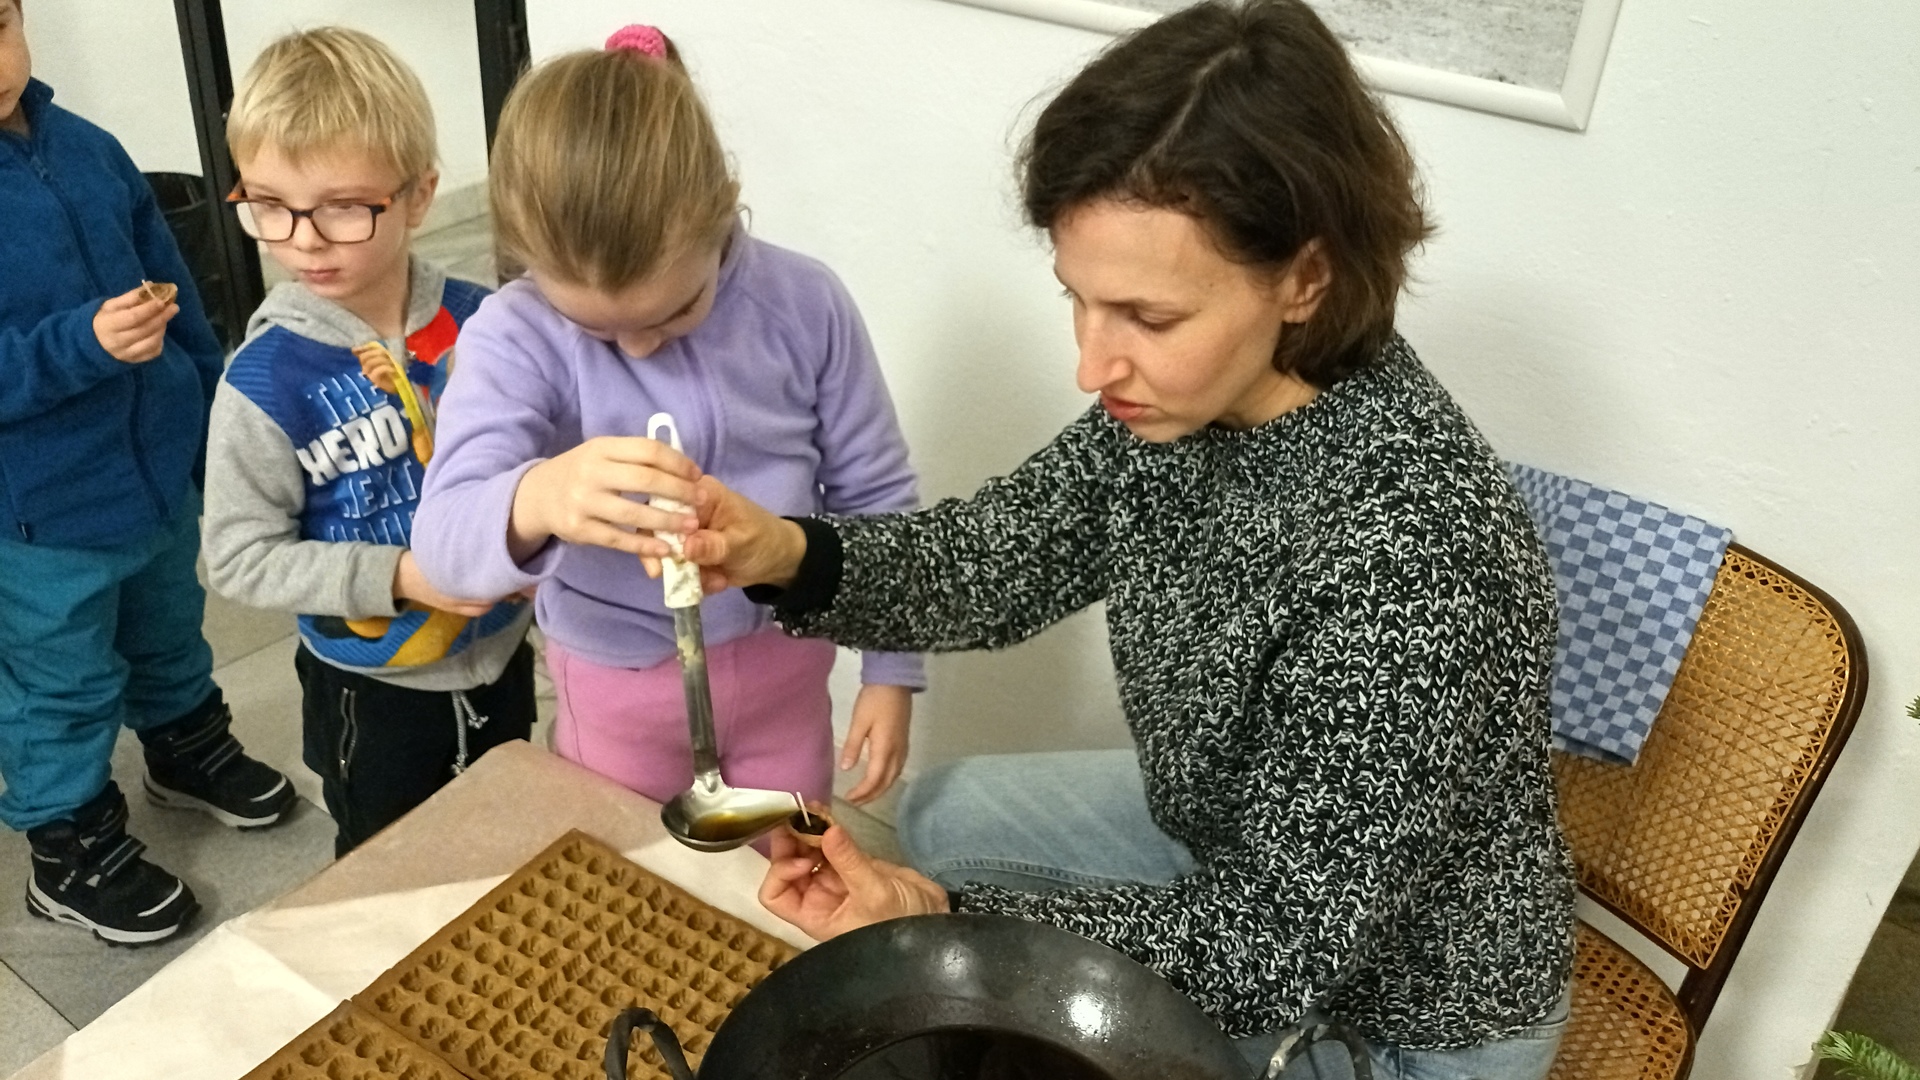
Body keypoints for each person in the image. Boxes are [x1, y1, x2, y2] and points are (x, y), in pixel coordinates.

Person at [668, 3, 1577, 1078]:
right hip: (1227, 841)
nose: (1092, 366)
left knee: (985, 983)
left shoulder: (1413, 560)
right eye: (1079, 300)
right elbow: (996, 557)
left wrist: (944, 921)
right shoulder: (1180, 408)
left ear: (1306, 278)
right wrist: (784, 552)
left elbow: (1269, 950)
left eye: (1148, 318)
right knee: (941, 813)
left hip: (1398, 1013)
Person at [409, 27, 923, 815]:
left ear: (722, 206)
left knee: (787, 870)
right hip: (615, 693)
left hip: (783, 673)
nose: (640, 347)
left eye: (678, 310)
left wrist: (892, 669)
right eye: (597, 328)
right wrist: (538, 496)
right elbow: (443, 546)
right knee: (627, 872)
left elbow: (877, 495)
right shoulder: (516, 335)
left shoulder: (805, 303)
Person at [0, 0, 296, 946]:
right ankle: (68, 848)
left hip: (153, 476)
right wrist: (79, 345)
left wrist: (211, 420)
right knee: (61, 683)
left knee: (169, 627)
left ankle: (184, 747)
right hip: (37, 519)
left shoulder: (89, 147)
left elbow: (182, 292)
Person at [200, 28, 535, 858]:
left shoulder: (488, 324)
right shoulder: (262, 381)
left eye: (343, 207)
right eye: (269, 205)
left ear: (419, 197)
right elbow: (236, 558)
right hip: (370, 688)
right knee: (386, 863)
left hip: (502, 656)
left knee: (505, 840)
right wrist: (401, 576)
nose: (302, 239)